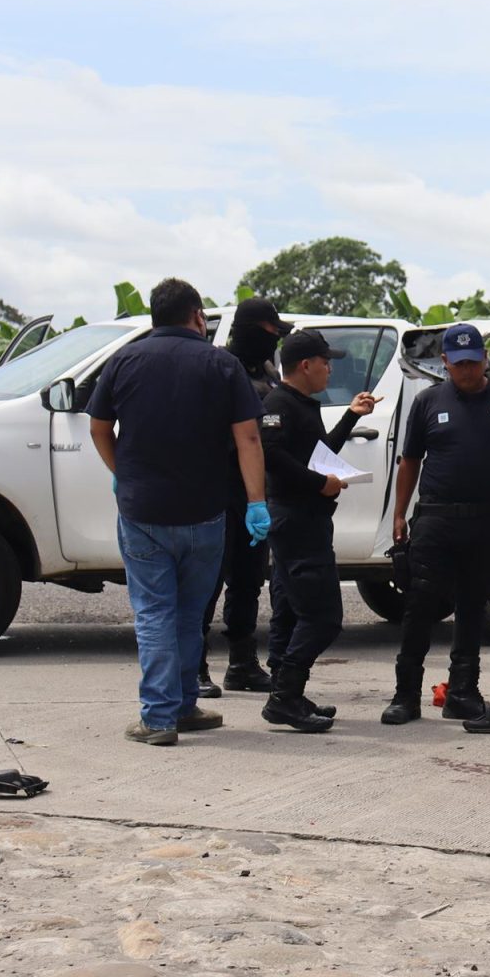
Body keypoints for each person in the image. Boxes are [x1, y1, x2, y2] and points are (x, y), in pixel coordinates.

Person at [87, 278, 269, 746]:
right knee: (189, 616)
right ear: (195, 316)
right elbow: (248, 438)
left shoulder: (124, 360)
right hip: (206, 513)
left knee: (154, 614)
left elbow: (99, 427)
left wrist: (120, 470)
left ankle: (161, 716)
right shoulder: (222, 364)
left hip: (143, 512)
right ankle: (182, 706)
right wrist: (256, 502)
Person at [381, 322, 490, 732]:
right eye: (458, 365)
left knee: (473, 606)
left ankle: (463, 694)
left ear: (485, 358)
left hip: (488, 519)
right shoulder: (427, 402)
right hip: (435, 518)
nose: (467, 371)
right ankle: (405, 696)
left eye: (473, 362)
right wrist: (400, 514)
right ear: (444, 363)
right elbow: (409, 461)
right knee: (419, 605)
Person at [258, 329, 380, 733]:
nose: (330, 368)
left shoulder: (303, 404)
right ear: (306, 365)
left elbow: (319, 455)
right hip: (295, 520)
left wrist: (351, 416)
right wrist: (318, 484)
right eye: (325, 361)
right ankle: (284, 697)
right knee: (324, 617)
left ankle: (289, 692)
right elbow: (271, 455)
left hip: (308, 518)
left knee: (295, 611)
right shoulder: (278, 403)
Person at [197, 297, 292, 699]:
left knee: (248, 580)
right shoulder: (218, 366)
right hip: (219, 488)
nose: (275, 343)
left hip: (256, 492)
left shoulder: (269, 371)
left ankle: (241, 663)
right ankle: (195, 666)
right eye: (272, 333)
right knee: (207, 583)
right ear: (253, 330)